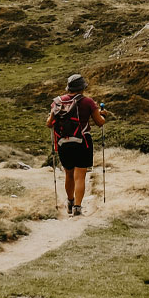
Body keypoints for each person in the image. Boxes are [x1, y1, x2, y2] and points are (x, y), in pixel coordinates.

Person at [48, 73, 105, 216]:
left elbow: (49, 123)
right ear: (82, 88)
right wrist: (104, 114)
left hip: (63, 143)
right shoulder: (88, 102)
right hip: (82, 142)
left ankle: (70, 202)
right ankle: (78, 208)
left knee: (69, 174)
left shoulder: (58, 102)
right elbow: (100, 122)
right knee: (80, 175)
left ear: (69, 87)